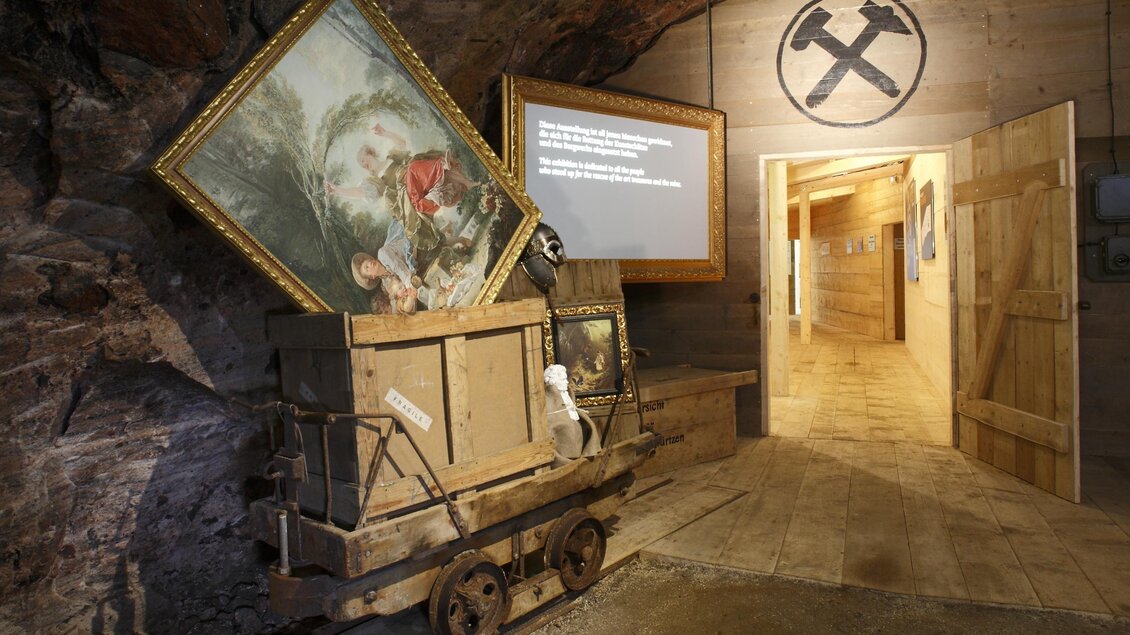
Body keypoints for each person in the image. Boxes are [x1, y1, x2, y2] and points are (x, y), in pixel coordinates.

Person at [325, 120, 479, 261]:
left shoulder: (391, 157)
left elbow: (401, 143)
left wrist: (384, 132)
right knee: (413, 169)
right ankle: (439, 169)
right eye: (362, 165)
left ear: (370, 153)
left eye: (364, 160)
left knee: (417, 165)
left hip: (419, 177)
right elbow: (359, 192)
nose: (364, 165)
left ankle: (465, 181)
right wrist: (338, 191)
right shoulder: (375, 180)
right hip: (409, 192)